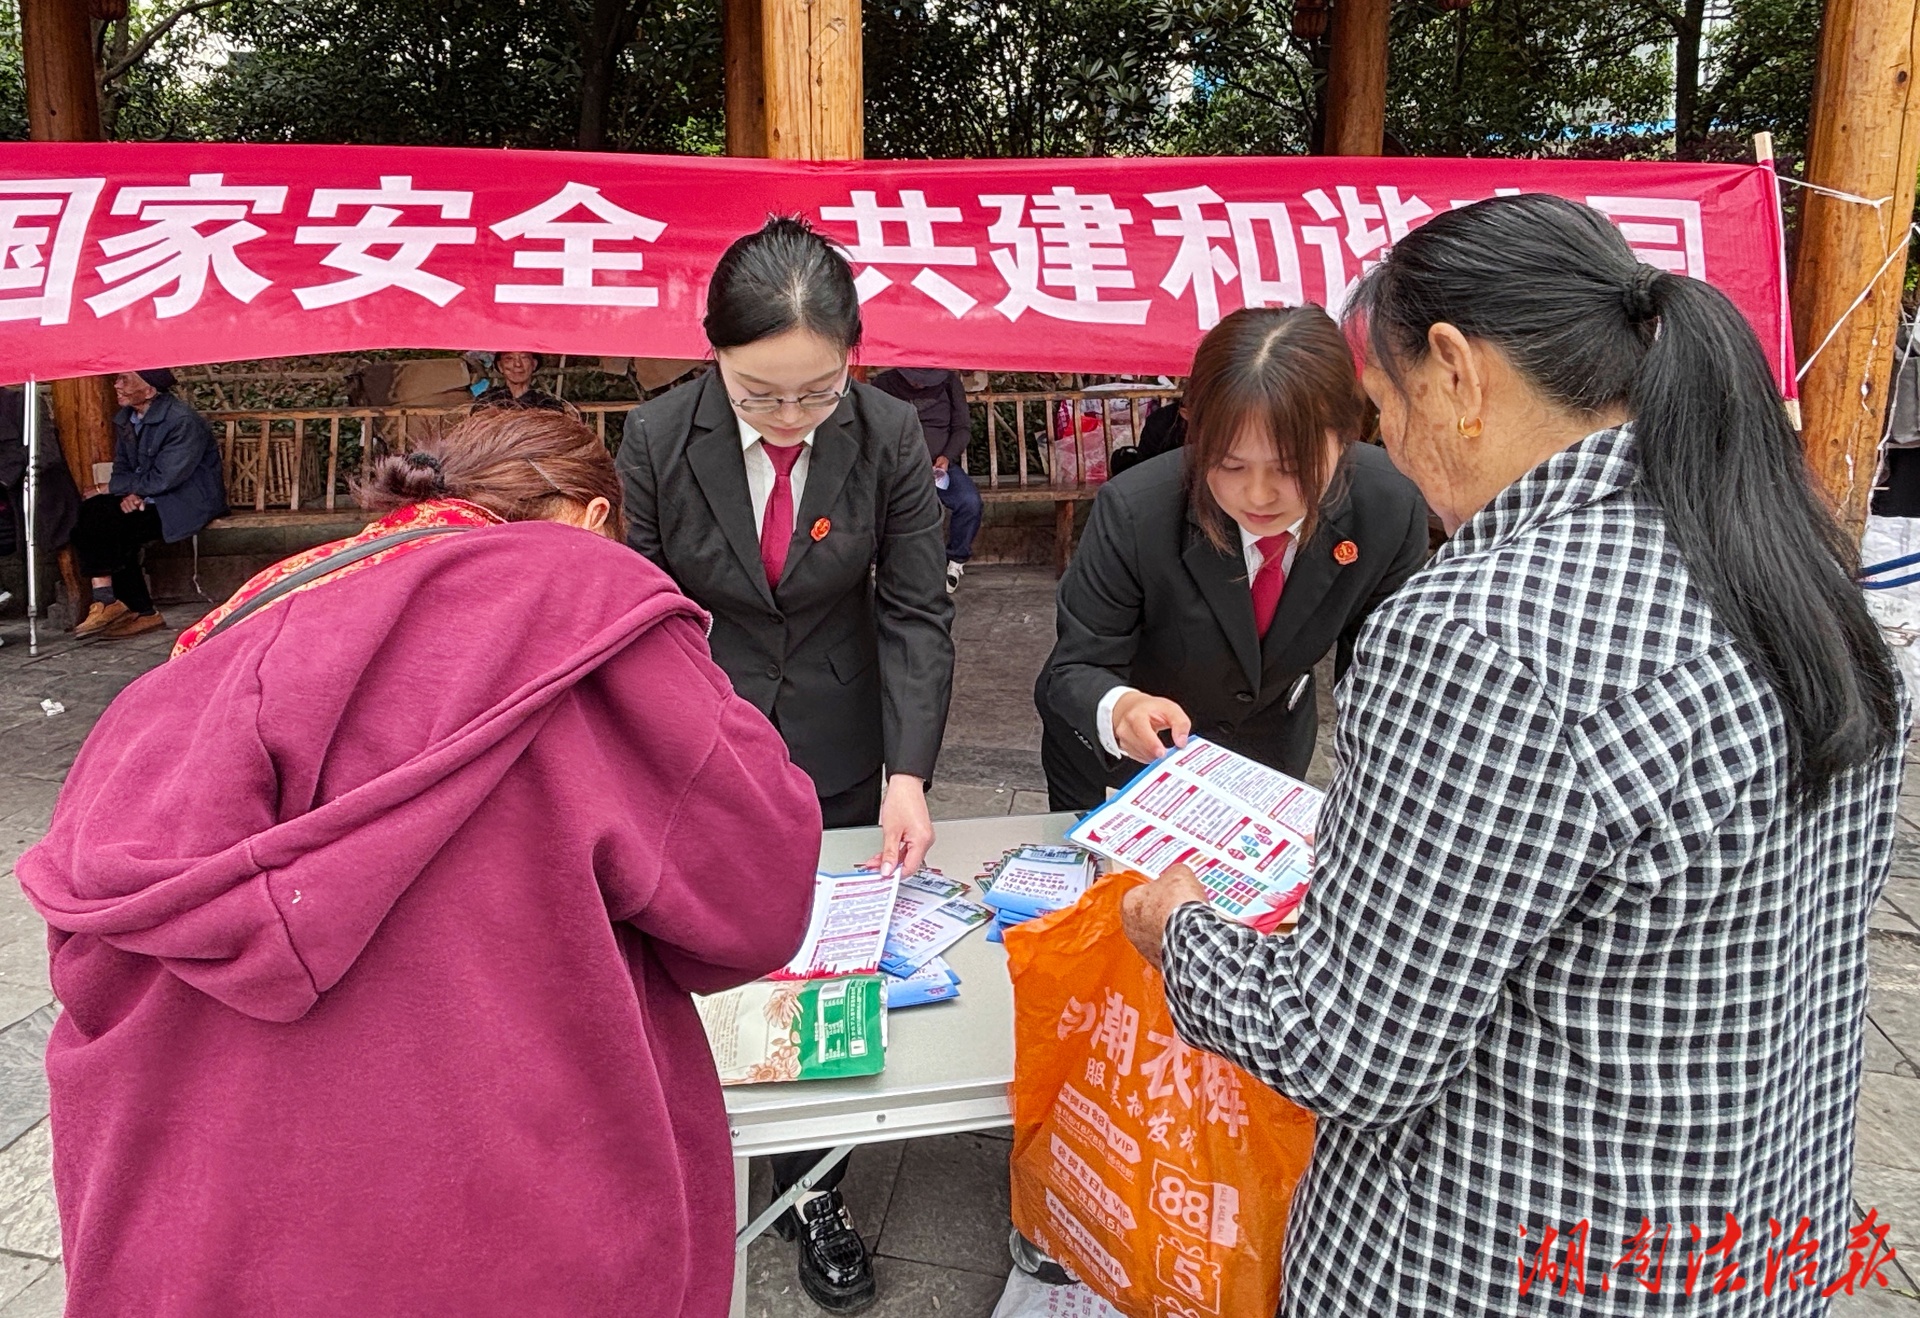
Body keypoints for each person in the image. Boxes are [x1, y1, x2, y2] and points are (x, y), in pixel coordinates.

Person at [1121, 194, 1908, 1317]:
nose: (1393, 451)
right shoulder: (1795, 574)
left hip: (1506, 1260)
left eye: (1385, 410)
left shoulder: (1479, 635)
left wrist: (1180, 932)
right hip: (1754, 1244)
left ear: (1455, 371)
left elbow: (1345, 1047)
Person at [18, 406, 822, 1318]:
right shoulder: (585, 601)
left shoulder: (215, 644)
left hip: (185, 1236)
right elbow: (756, 906)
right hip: (512, 1232)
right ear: (592, 517)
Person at [617, 215, 955, 1315]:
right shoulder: (657, 438)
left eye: (817, 392)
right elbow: (640, 613)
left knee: (827, 969)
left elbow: (913, 610)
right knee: (702, 958)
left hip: (841, 740)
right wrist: (671, 751)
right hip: (698, 738)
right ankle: (689, 1150)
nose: (790, 418)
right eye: (760, 393)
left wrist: (909, 772)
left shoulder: (888, 434)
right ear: (713, 352)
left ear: (854, 356)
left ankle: (815, 1188)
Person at [1033, 306, 1430, 812]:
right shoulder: (1137, 510)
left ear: (1347, 434)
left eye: (1290, 467)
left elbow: (1384, 671)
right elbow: (1077, 664)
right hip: (1129, 761)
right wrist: (1120, 707)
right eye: (1231, 465)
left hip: (1266, 755)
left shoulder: (1388, 506)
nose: (1258, 495)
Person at [70, 369, 226, 639]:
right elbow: (122, 469)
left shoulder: (182, 421)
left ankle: (130, 607)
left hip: (184, 503)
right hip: (148, 496)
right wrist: (128, 493)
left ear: (150, 390)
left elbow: (167, 477)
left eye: (125, 380)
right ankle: (117, 604)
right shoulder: (127, 418)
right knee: (95, 512)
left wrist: (119, 490)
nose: (116, 385)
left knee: (112, 524)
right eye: (118, 379)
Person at [872, 366, 980, 592]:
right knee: (874, 500)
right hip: (897, 466)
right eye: (914, 379)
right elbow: (873, 428)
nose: (919, 384)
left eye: (925, 380)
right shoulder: (884, 384)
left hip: (939, 466)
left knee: (969, 502)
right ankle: (875, 561)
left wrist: (947, 457)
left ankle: (955, 562)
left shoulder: (949, 382)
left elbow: (962, 428)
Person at [473, 350, 567, 412]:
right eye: (509, 358)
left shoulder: (549, 405)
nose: (518, 364)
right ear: (500, 366)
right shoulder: (486, 401)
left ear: (534, 364)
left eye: (524, 357)